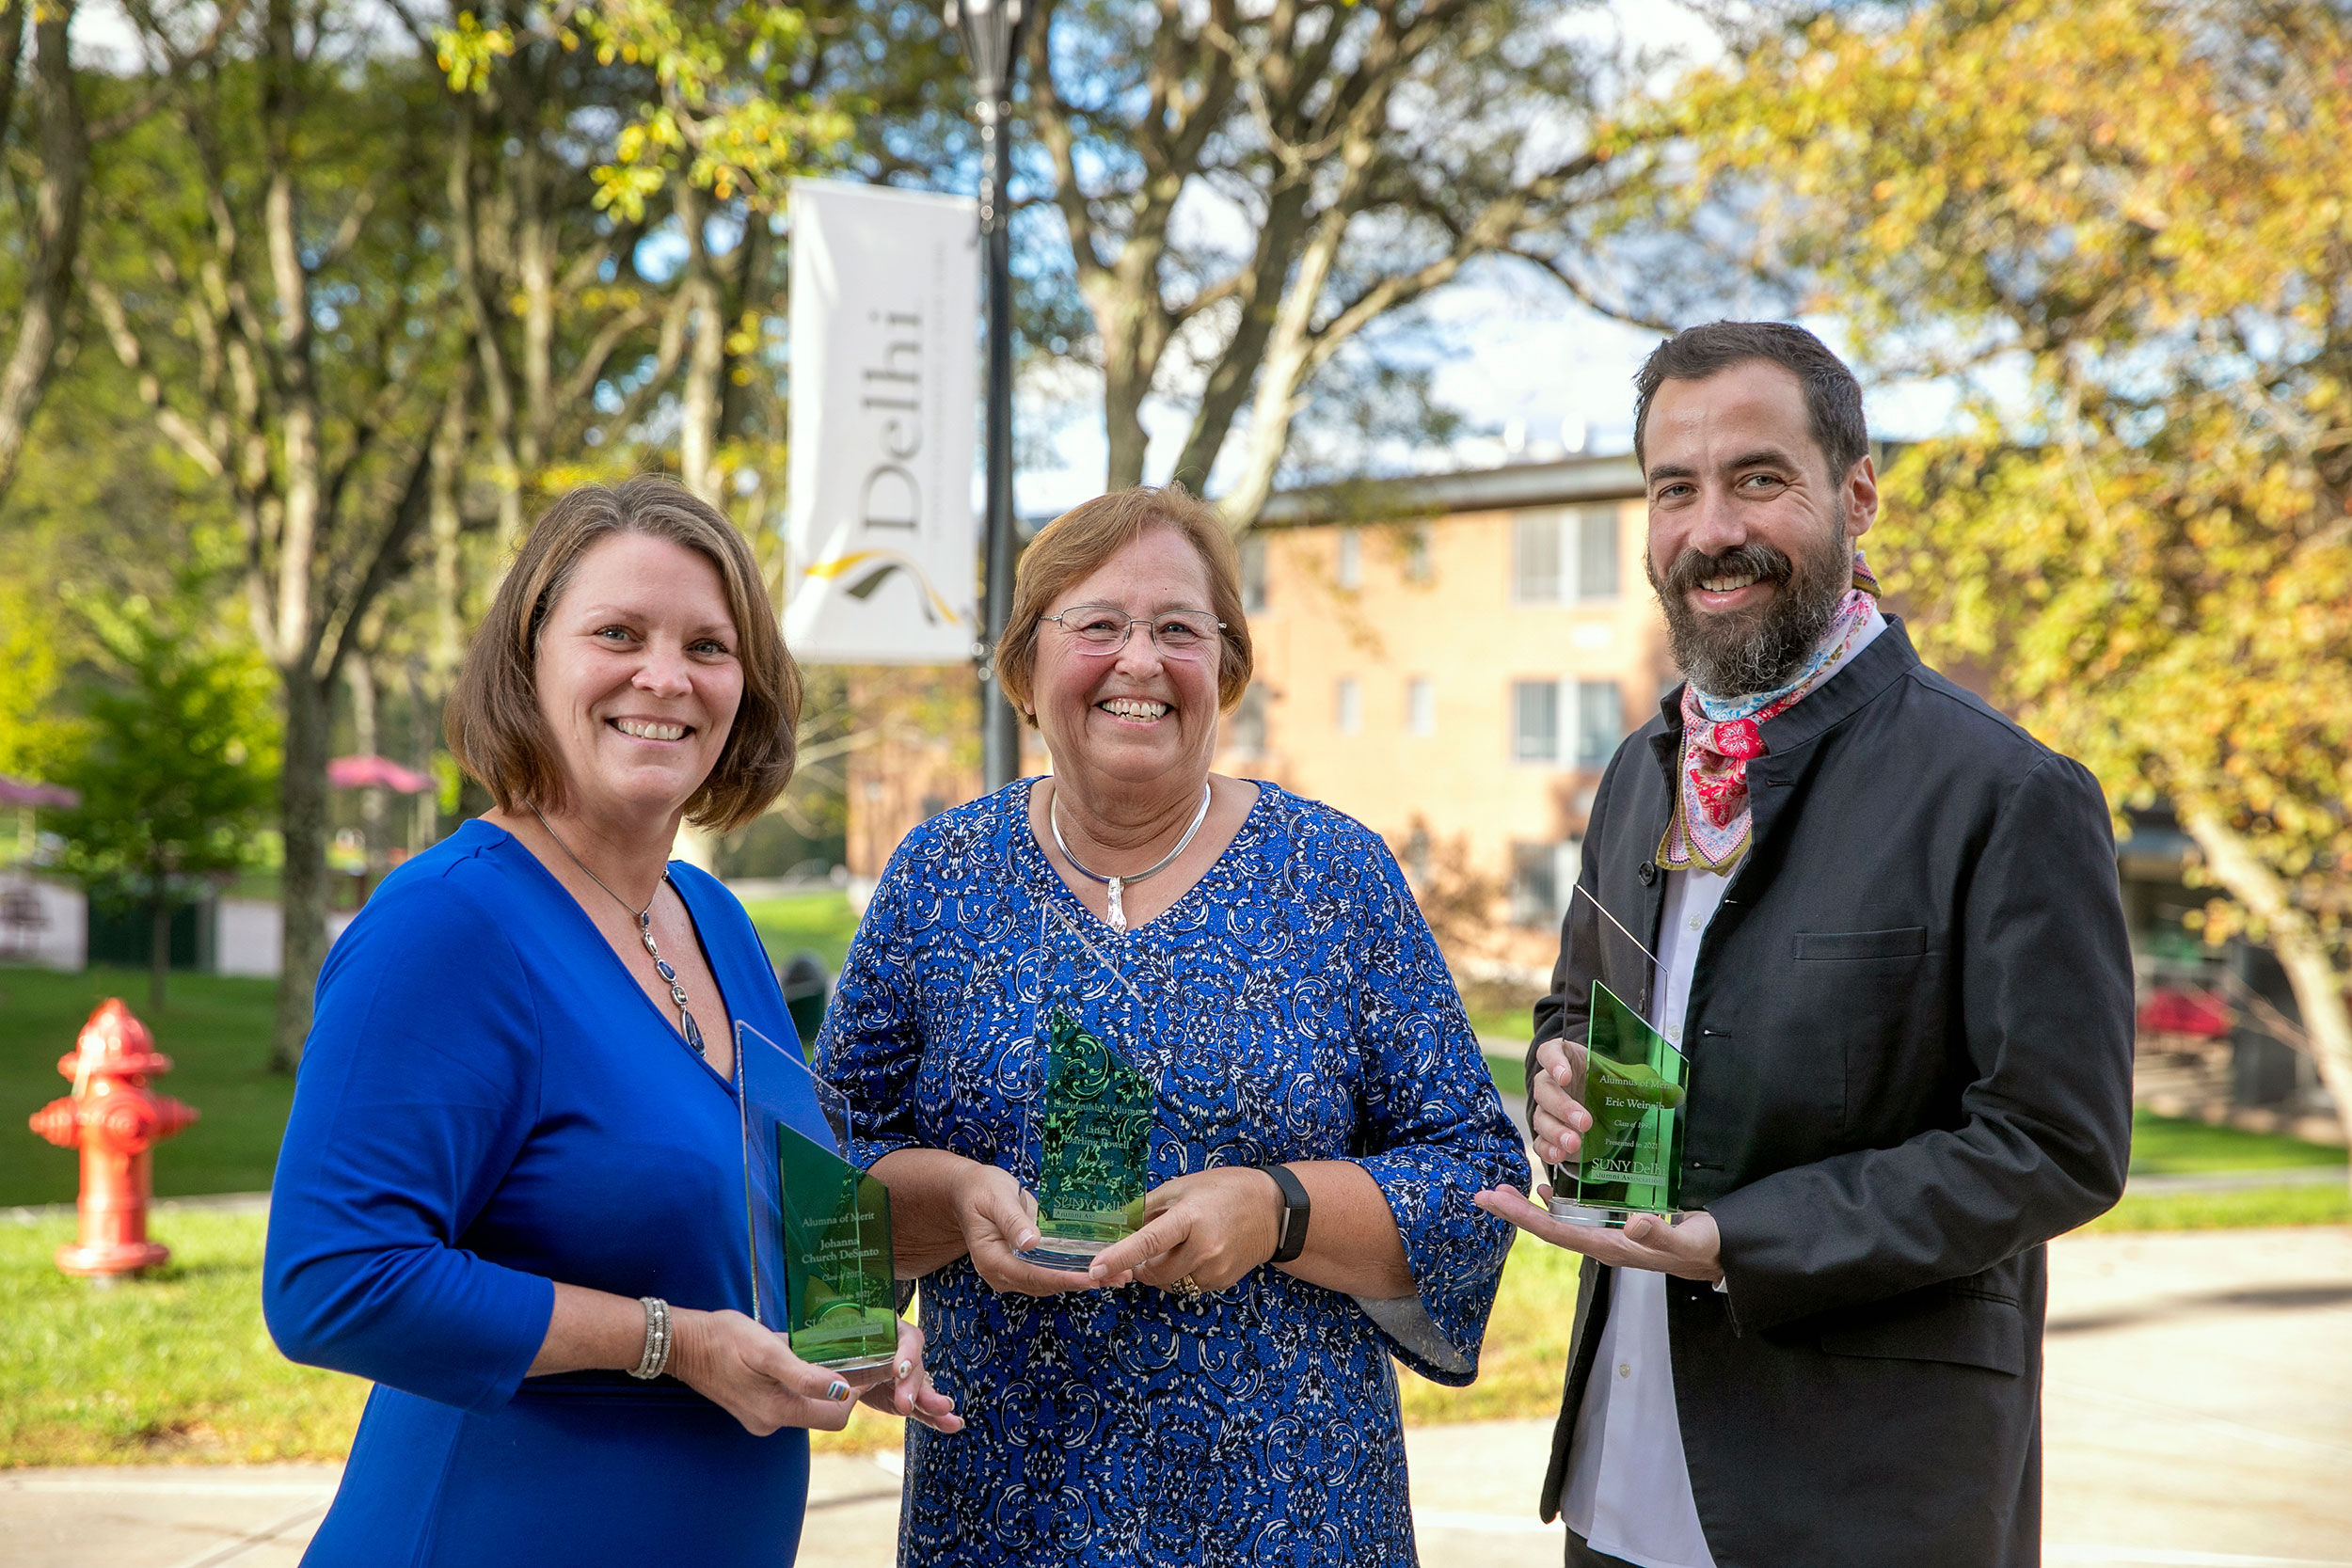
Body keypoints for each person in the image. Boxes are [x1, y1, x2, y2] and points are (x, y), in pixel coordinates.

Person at [1473, 322, 2135, 1568]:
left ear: (1859, 494)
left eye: (1759, 479)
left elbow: (2056, 1144)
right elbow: (1581, 1012)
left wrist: (1741, 1239)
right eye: (1676, 487)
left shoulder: (2006, 789)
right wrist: (1563, 1086)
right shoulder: (1636, 771)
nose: (1713, 527)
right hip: (1620, 1471)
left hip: (1863, 1498)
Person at [820, 484, 1529, 1567]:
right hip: (1005, 1506)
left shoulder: (1331, 874)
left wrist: (1277, 1208)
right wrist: (955, 1200)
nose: (1138, 661)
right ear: (1025, 665)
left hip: (1295, 1506)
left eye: (1177, 630)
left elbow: (1476, 1174)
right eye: (1096, 624)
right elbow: (819, 1182)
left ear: (1226, 667)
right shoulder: (938, 875)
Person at [263, 477, 959, 1567]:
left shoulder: (714, 918)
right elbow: (333, 1280)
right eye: (618, 633)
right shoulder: (447, 925)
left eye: (708, 646)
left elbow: (774, 1195)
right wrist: (670, 1343)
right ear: (530, 658)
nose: (666, 677)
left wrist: (855, 1332)